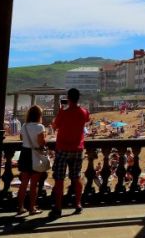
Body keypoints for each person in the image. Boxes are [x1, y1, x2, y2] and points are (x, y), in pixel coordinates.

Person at [50, 88, 90, 218]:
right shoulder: (84, 112)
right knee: (76, 177)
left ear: (68, 98)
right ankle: (78, 204)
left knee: (59, 179)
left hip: (63, 148)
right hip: (77, 149)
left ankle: (58, 207)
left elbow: (55, 126)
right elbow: (85, 121)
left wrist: (61, 111)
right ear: (79, 98)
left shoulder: (63, 112)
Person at [17, 105, 46, 215]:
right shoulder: (40, 127)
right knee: (34, 184)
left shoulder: (24, 126)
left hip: (24, 154)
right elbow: (41, 142)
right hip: (35, 155)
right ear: (39, 115)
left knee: (23, 183)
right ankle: (32, 208)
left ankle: (20, 207)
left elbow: (21, 138)